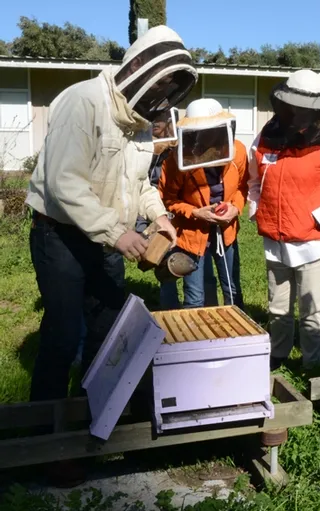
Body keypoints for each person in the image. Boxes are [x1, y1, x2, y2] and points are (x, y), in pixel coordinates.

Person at [25, 25, 197, 405]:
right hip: (61, 237)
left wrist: (159, 215)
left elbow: (141, 184)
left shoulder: (140, 124)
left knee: (107, 327)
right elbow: (63, 182)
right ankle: (44, 432)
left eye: (169, 86)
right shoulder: (84, 102)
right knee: (64, 334)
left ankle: (93, 412)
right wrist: (117, 234)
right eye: (160, 83)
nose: (161, 93)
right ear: (139, 67)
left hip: (107, 240)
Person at [248, 70, 320, 370]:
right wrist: (259, 211)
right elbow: (254, 182)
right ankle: (277, 357)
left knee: (311, 308)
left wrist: (312, 220)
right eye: (291, 106)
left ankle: (312, 364)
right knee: (277, 306)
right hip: (275, 240)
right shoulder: (266, 138)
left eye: (303, 108)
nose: (296, 113)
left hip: (314, 244)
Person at [158, 98, 248, 309]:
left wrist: (234, 207)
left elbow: (243, 187)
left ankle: (239, 339)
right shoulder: (175, 160)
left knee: (232, 290)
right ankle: (195, 341)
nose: (206, 137)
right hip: (192, 235)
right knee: (195, 297)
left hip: (226, 233)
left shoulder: (239, 152)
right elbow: (168, 199)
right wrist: (196, 213)